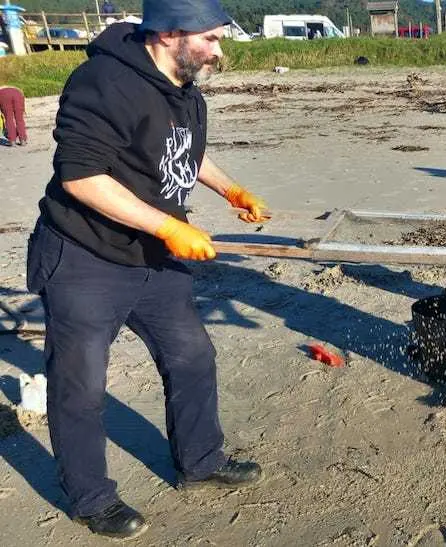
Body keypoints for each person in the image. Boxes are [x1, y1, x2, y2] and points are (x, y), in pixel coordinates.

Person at [26, 0, 268, 539]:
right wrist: (169, 226)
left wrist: (229, 188)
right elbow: (81, 177)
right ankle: (91, 500)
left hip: (155, 259)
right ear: (169, 33)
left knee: (192, 355)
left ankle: (201, 463)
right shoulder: (102, 82)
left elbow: (183, 151)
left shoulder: (182, 85)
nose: (219, 50)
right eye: (210, 38)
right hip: (85, 258)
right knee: (81, 385)